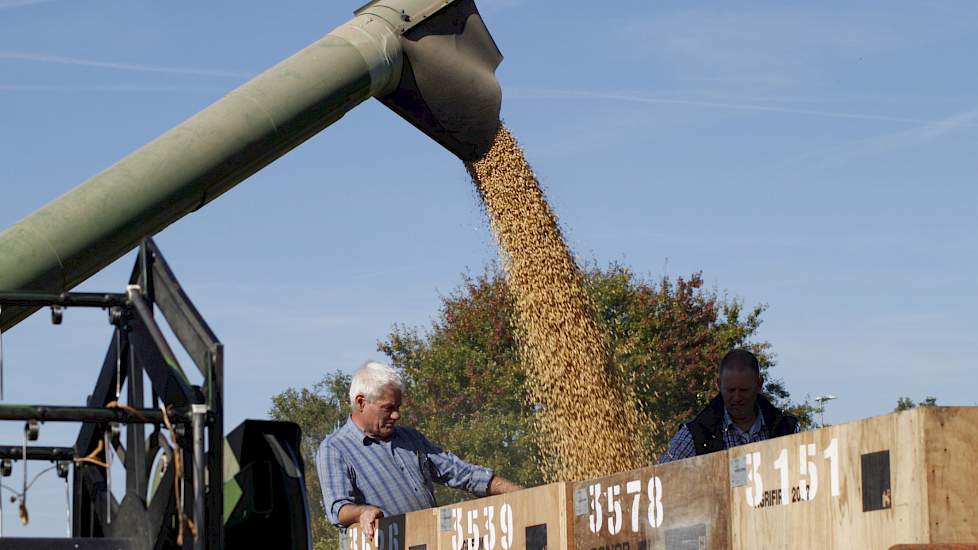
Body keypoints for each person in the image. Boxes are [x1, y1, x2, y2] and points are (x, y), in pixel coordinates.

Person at [316, 361, 523, 541]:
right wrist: (362, 512)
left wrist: (525, 496)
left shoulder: (411, 438)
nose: (396, 415)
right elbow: (338, 508)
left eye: (398, 406)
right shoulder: (335, 449)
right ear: (361, 402)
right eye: (388, 408)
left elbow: (462, 473)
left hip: (430, 541)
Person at [659, 348, 799, 463]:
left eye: (744, 390)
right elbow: (662, 478)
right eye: (731, 390)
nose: (737, 398)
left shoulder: (786, 429)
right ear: (719, 384)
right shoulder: (697, 434)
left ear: (759, 384)